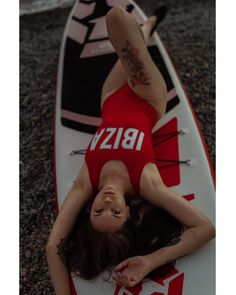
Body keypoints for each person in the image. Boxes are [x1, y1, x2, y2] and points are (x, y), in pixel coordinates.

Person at [46, 6, 215, 294]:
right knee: (118, 20)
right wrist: (149, 261)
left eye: (99, 210)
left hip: (109, 97)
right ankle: (145, 28)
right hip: (148, 96)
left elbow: (53, 246)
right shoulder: (147, 183)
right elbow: (205, 229)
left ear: (89, 212)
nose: (108, 201)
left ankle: (149, 26)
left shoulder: (87, 182)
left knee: (127, 31)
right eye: (115, 211)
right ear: (128, 213)